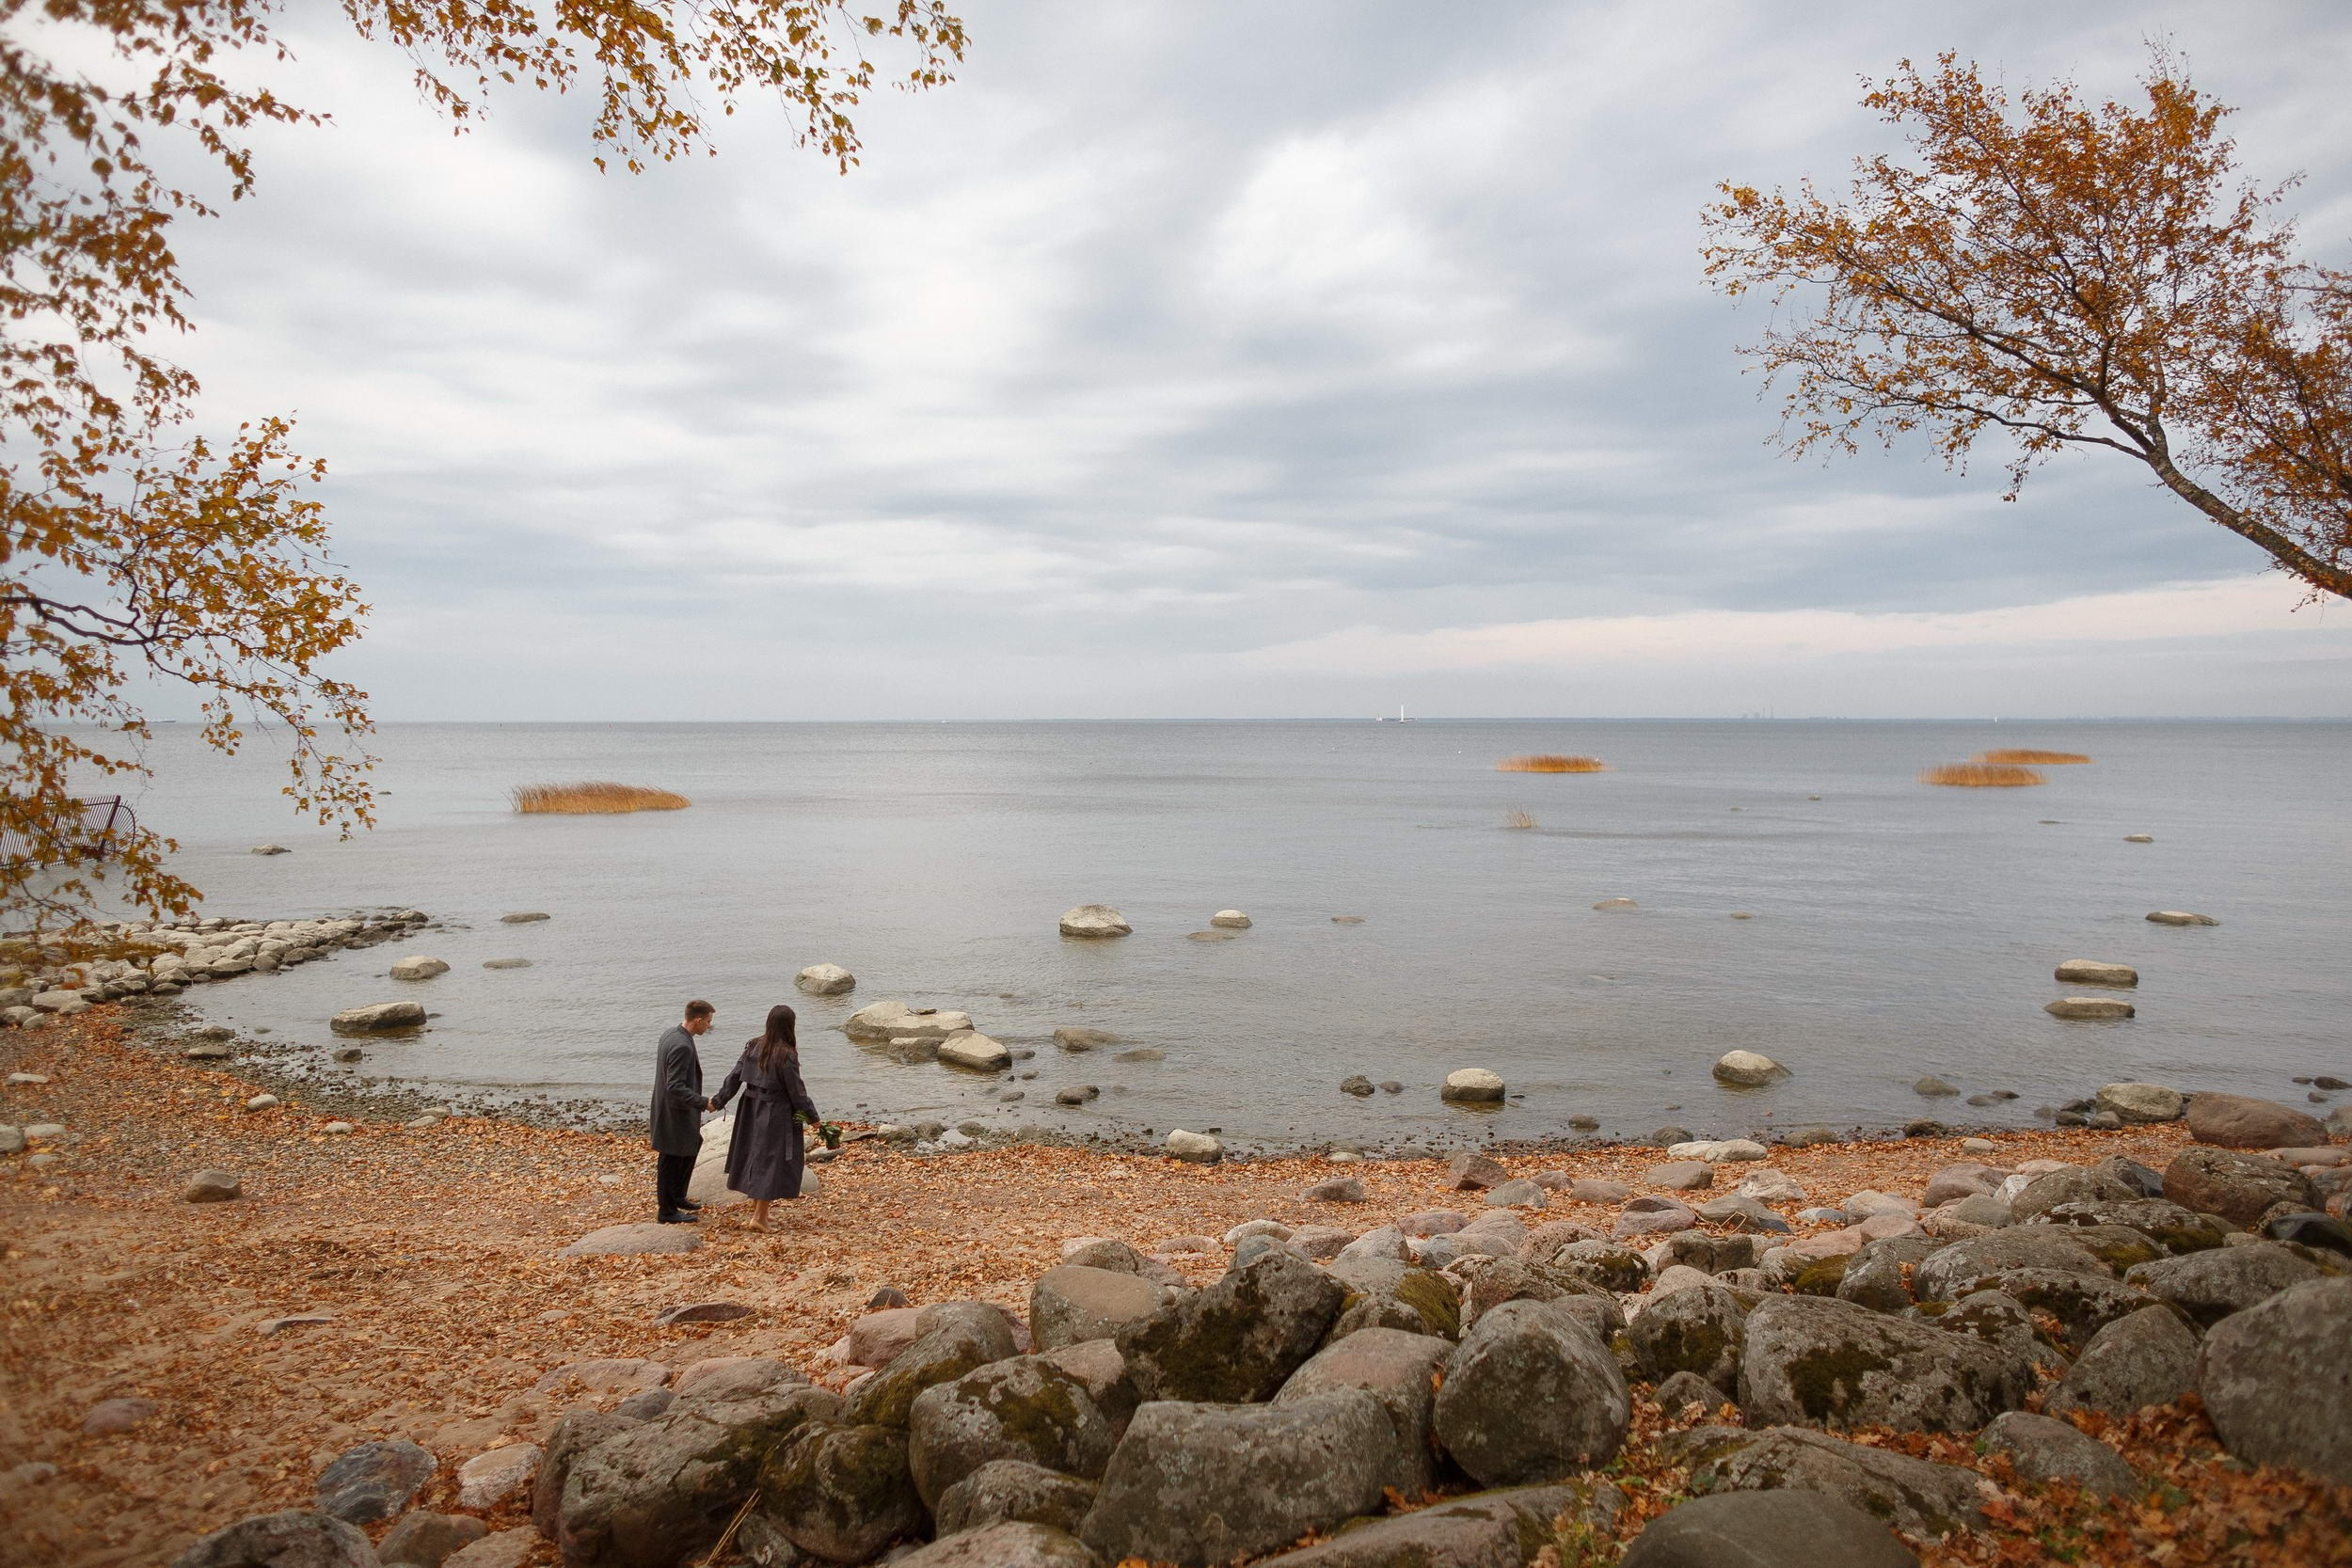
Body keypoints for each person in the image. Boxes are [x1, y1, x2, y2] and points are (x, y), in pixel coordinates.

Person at [707, 1002, 822, 1232]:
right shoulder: (786, 1054)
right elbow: (797, 1091)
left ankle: (762, 1214)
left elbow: (735, 1076)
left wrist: (719, 1100)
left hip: (750, 1108)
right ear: (789, 1026)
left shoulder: (753, 1046)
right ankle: (759, 1217)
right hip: (775, 1111)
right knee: (770, 1161)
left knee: (757, 1157)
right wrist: (813, 1117)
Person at [650, 999, 716, 1224]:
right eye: (708, 1021)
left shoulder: (671, 1034)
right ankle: (666, 1211)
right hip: (674, 1111)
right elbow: (675, 1085)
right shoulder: (682, 1045)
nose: (709, 1026)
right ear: (697, 1020)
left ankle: (678, 1196)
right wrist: (702, 1102)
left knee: (692, 1144)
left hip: (669, 1107)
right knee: (670, 1158)